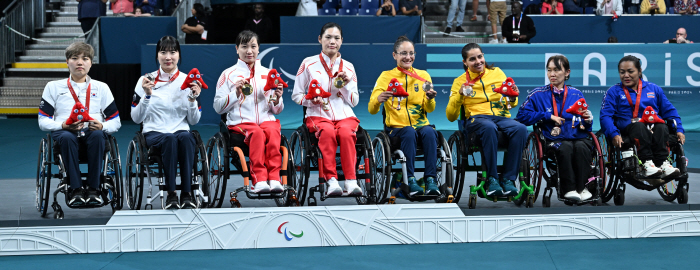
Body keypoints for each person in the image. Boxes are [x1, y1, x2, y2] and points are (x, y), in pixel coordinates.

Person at [38, 42, 121, 206]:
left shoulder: (101, 87)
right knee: (68, 138)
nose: (80, 62)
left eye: (85, 58)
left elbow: (115, 121)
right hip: (65, 133)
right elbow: (43, 121)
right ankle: (75, 189)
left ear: (91, 62)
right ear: (67, 61)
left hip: (93, 133)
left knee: (98, 135)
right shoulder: (53, 87)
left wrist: (102, 126)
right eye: (74, 58)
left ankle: (94, 188)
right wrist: (63, 126)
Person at [445, 43, 527, 197]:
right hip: (477, 119)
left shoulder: (497, 73)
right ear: (465, 62)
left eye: (480, 56)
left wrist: (512, 97)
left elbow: (510, 103)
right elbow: (450, 116)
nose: (478, 61)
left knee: (520, 129)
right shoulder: (459, 81)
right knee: (489, 127)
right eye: (472, 59)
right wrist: (460, 95)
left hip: (501, 117)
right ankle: (492, 179)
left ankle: (508, 180)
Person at [131, 36, 203, 209]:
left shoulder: (189, 81)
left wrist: (193, 99)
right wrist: (147, 95)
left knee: (186, 138)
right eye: (163, 52)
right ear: (157, 56)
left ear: (179, 55)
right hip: (154, 133)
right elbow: (136, 118)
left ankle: (187, 193)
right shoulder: (145, 81)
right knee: (169, 139)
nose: (168, 57)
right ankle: (171, 194)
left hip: (180, 131)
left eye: (173, 52)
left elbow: (194, 120)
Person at [291, 23, 362, 196]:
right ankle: (331, 180)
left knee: (346, 134)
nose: (332, 41)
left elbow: (354, 101)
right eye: (328, 37)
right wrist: (311, 101)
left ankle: (351, 181)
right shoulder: (308, 63)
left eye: (336, 38)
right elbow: (296, 95)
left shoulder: (349, 67)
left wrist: (344, 86)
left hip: (344, 115)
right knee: (328, 132)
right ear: (320, 39)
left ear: (342, 41)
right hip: (318, 115)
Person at [214, 31, 285, 194]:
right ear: (237, 49)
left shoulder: (269, 74)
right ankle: (259, 180)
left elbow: (277, 110)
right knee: (257, 133)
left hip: (267, 121)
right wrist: (236, 94)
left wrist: (277, 99)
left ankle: (274, 178)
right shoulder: (228, 75)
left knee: (274, 131)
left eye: (253, 46)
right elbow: (218, 107)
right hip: (241, 123)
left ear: (259, 49)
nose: (249, 51)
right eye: (244, 47)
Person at [368, 35, 440, 197]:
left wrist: (430, 99)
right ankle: (411, 179)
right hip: (397, 131)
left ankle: (430, 179)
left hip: (420, 126)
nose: (408, 57)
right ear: (395, 55)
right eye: (403, 53)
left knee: (430, 132)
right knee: (408, 131)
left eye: (411, 53)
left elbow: (430, 108)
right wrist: (378, 100)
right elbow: (371, 109)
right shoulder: (386, 76)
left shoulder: (424, 76)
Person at [516, 55, 595, 201]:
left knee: (582, 147)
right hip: (553, 139)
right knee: (565, 148)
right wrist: (547, 116)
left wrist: (588, 119)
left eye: (557, 70)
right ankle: (569, 189)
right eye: (549, 70)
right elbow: (521, 116)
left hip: (577, 136)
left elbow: (585, 125)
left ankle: (582, 188)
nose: (552, 74)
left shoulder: (576, 94)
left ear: (567, 72)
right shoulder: (537, 94)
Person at [600, 55, 684, 185]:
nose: (626, 75)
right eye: (622, 72)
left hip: (653, 128)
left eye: (630, 71)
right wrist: (614, 134)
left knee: (662, 126)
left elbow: (670, 111)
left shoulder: (654, 89)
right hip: (628, 130)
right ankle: (646, 164)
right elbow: (605, 116)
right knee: (639, 126)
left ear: (639, 71)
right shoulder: (613, 92)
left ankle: (663, 163)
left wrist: (679, 129)